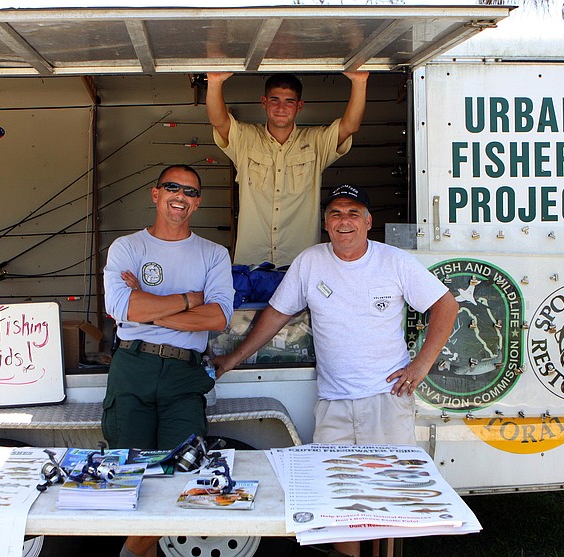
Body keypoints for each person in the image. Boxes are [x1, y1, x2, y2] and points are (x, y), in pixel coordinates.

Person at [211, 184, 459, 557]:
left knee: (388, 497)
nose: (345, 221)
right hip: (334, 404)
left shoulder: (393, 261)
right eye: (336, 214)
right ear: (326, 223)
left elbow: (446, 306)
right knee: (339, 501)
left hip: (386, 400)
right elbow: (277, 315)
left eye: (353, 213)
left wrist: (421, 365)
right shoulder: (311, 261)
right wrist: (233, 358)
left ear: (369, 221)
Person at [103, 164, 234, 557]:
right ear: (155, 193)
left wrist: (148, 310)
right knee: (128, 479)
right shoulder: (127, 247)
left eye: (191, 191)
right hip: (133, 368)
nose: (182, 195)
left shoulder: (213, 253)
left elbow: (218, 318)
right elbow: (119, 305)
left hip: (184, 373)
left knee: (182, 476)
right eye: (172, 187)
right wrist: (189, 300)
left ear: (197, 202)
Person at [206, 71, 369, 267]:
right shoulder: (245, 139)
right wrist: (214, 81)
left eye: (289, 101)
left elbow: (350, 126)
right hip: (251, 264)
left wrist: (359, 81)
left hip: (300, 263)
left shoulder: (316, 142)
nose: (281, 107)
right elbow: (219, 121)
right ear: (264, 102)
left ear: (299, 106)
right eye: (274, 100)